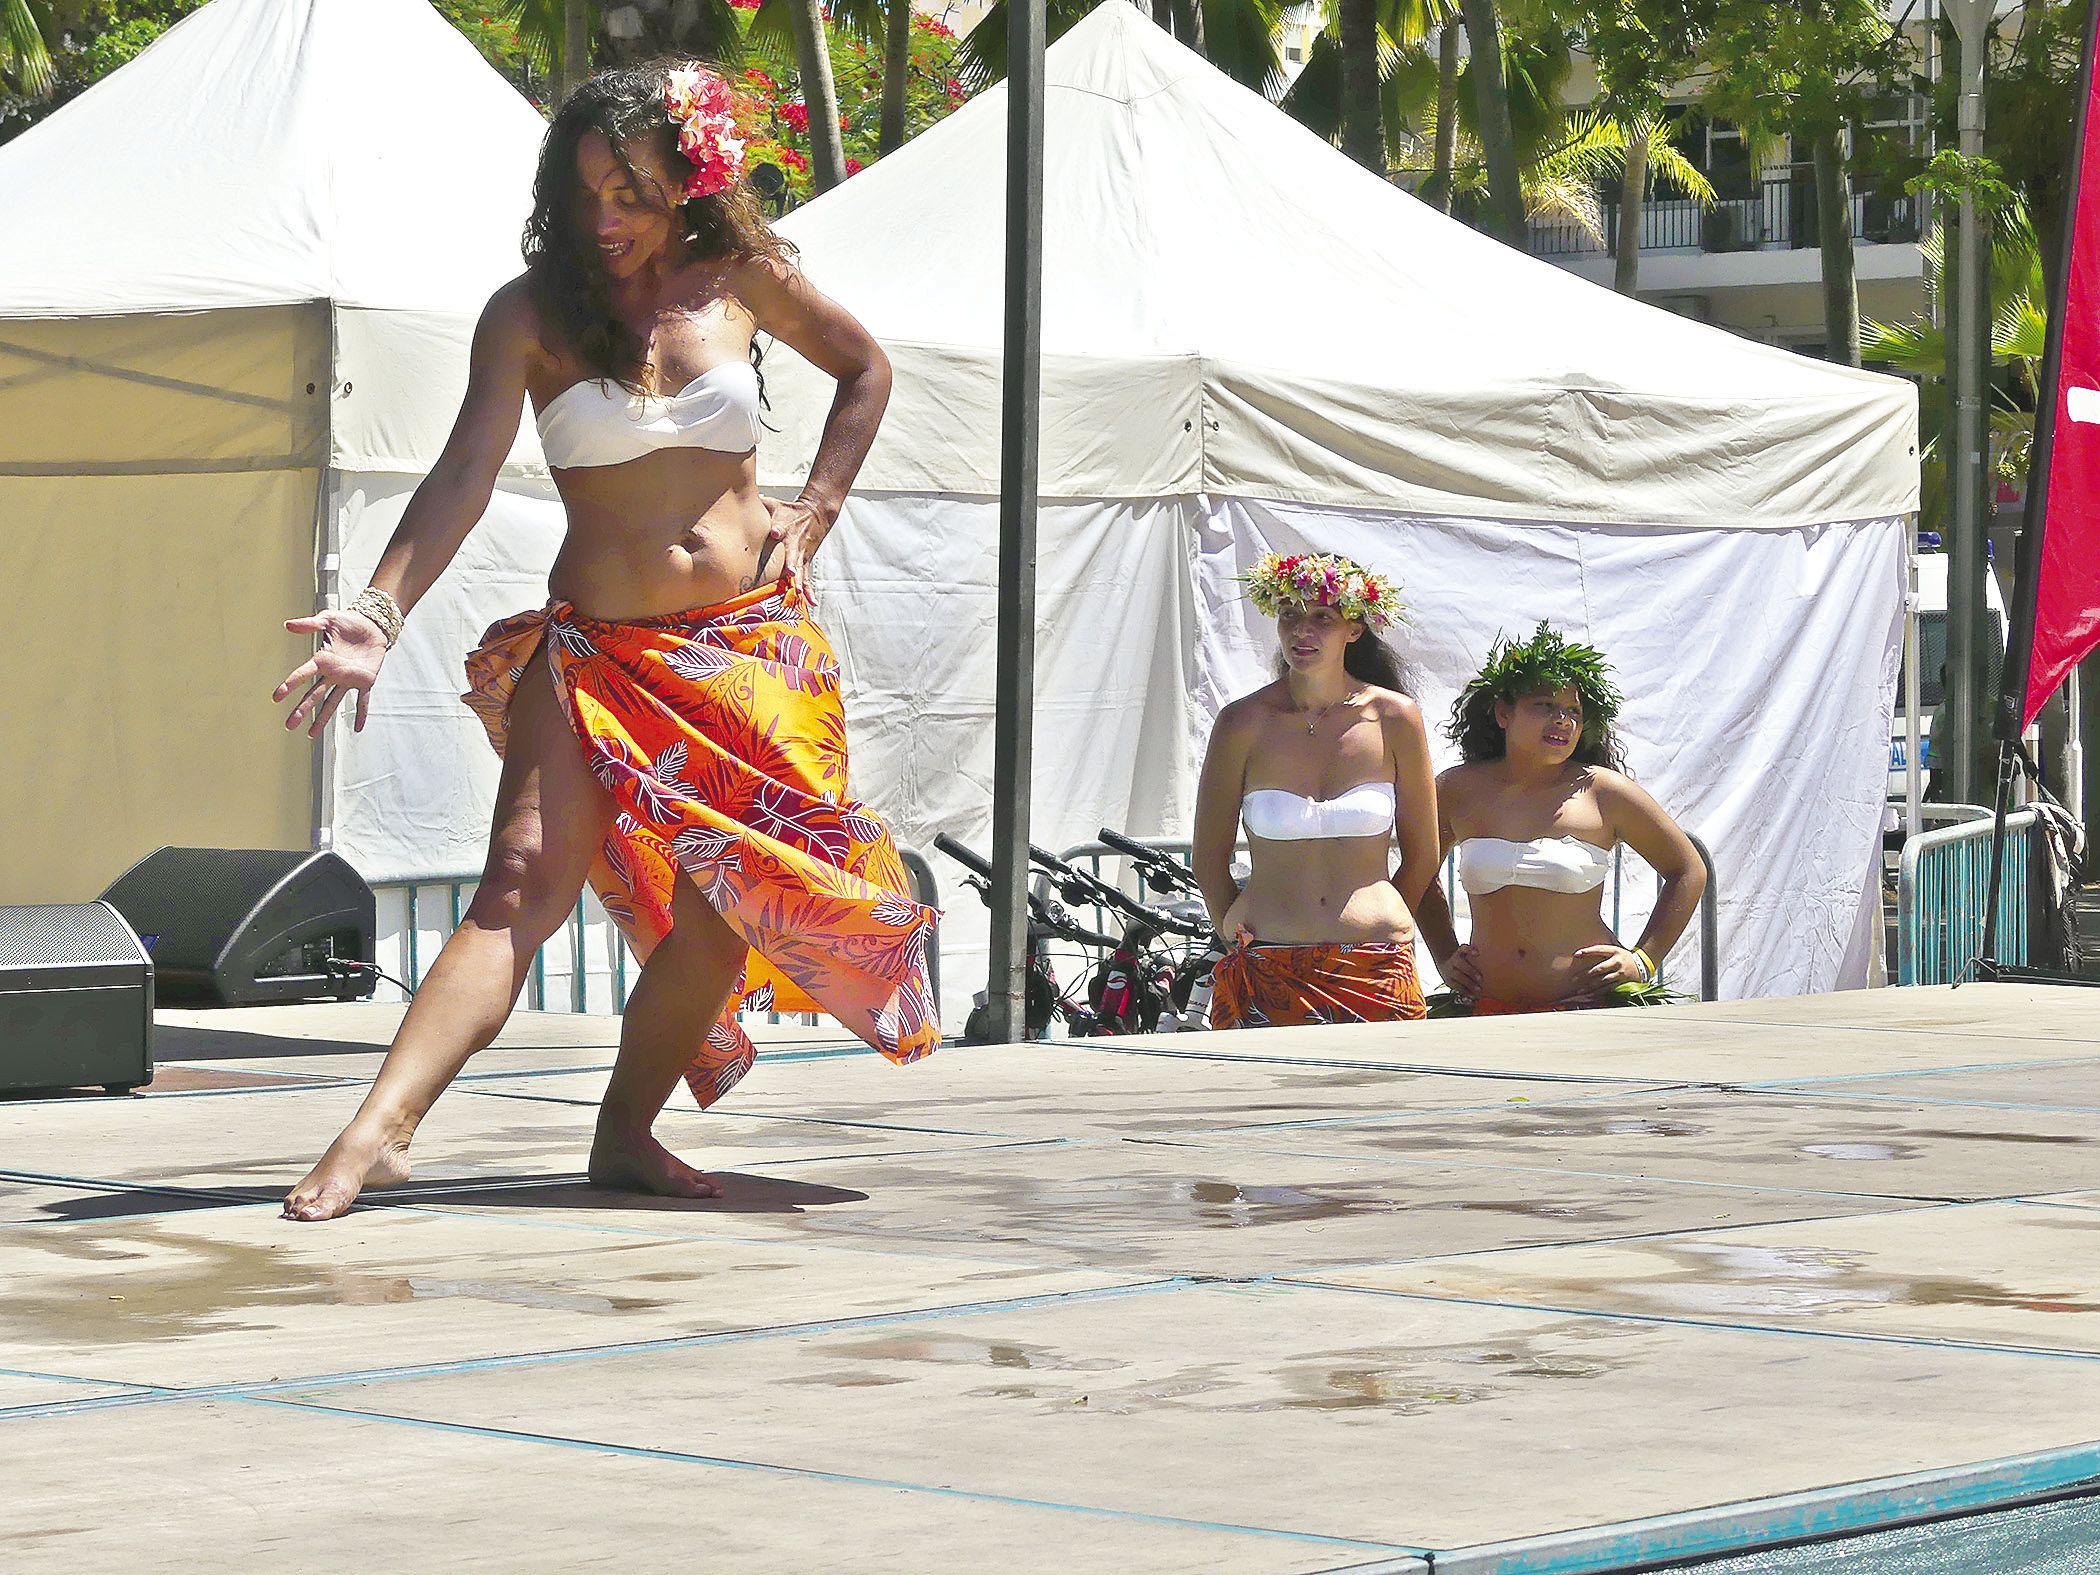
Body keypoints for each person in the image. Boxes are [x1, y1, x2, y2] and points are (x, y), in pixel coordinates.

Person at [273, 64, 937, 1221]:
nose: (608, 218)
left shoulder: (743, 280)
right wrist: (376, 617)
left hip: (749, 652)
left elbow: (866, 371)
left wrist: (817, 508)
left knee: (726, 905)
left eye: (632, 189)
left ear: (690, 178)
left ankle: (623, 1135)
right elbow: (463, 475)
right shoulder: (532, 315)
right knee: (519, 881)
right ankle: (378, 1133)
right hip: (597, 658)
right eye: (587, 193)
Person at [1192, 551, 1439, 1027]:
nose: (1302, 631)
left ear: (1354, 628)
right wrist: (1237, 933)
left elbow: (1424, 853)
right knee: (1264, 1103)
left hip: (1377, 966)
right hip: (1267, 961)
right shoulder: (1242, 722)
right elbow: (1208, 856)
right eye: (1289, 615)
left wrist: (1380, 921)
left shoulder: (1395, 717)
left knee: (1389, 1102)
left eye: (1322, 617)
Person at [1415, 622, 1705, 1014]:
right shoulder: (1457, 789)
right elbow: (1418, 868)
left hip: (1587, 1007)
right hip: (1486, 1008)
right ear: (1503, 713)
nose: (1562, 721)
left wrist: (1643, 959)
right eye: (1545, 707)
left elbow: (1689, 869)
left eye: (1573, 711)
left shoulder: (1604, 792)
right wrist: (1444, 953)